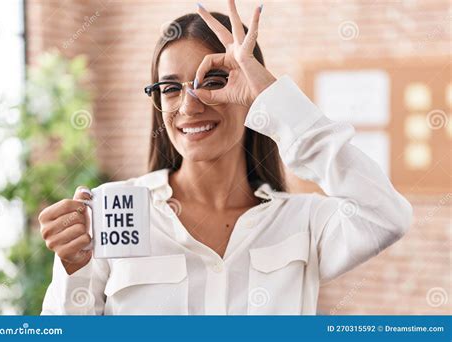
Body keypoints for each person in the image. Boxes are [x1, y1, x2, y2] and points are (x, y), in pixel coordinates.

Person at [39, 0, 412, 315]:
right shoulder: (111, 211)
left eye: (213, 82)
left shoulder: (303, 223)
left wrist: (272, 97)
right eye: (170, 88)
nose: (189, 105)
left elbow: (386, 216)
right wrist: (74, 269)